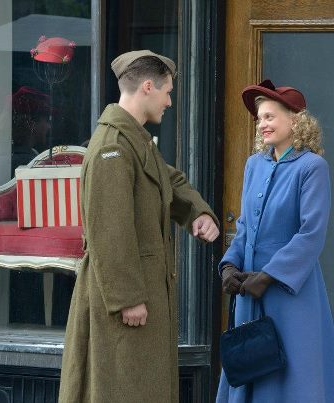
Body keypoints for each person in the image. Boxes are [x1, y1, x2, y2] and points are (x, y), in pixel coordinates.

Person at [58, 50, 219, 403]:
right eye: (167, 92)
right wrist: (128, 298)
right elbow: (109, 231)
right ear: (148, 87)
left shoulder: (134, 139)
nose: (170, 102)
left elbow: (167, 179)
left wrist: (198, 213)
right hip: (124, 302)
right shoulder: (113, 147)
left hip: (140, 295)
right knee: (121, 390)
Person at [216, 79, 334, 403]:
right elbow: (244, 226)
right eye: (260, 118)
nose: (262, 124)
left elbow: (311, 234)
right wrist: (229, 265)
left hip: (290, 294)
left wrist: (269, 276)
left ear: (295, 120)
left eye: (270, 116)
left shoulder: (312, 167)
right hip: (249, 290)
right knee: (250, 368)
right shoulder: (254, 165)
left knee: (294, 379)